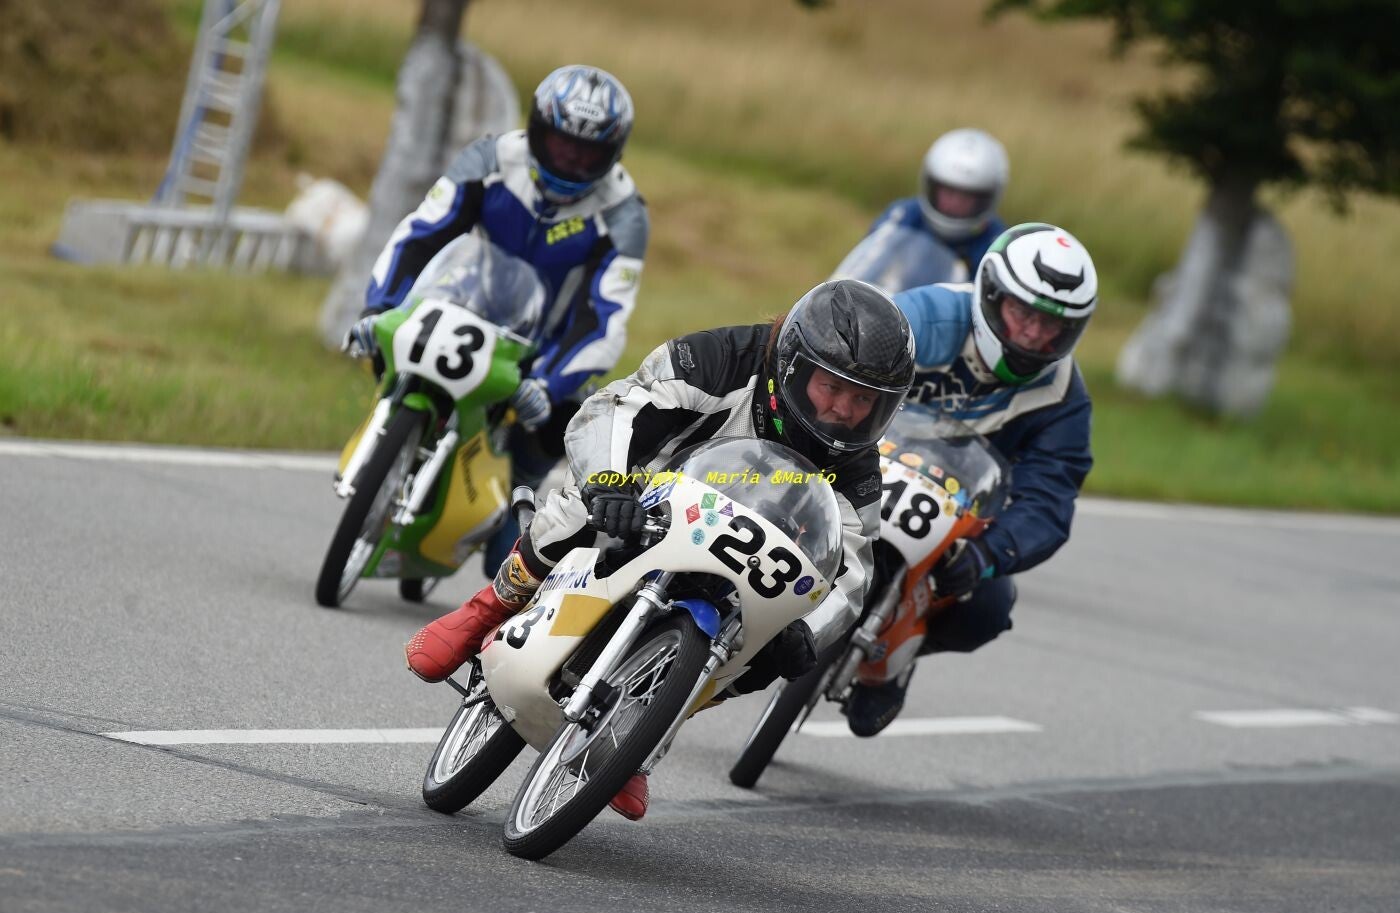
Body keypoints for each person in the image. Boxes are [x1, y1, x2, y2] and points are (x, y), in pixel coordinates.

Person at [406, 279, 917, 818]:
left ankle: (644, 732)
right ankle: (488, 608)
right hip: (649, 492)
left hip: (745, 559)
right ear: (793, 364)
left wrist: (807, 632)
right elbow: (614, 408)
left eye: (865, 400)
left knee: (769, 652)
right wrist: (608, 482)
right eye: (832, 387)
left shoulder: (857, 464)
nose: (844, 409)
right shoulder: (720, 358)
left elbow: (854, 571)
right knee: (578, 508)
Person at [344, 64, 649, 576]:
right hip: (462, 305)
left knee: (556, 431)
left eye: (586, 153)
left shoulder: (624, 213)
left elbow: (605, 319)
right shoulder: (489, 159)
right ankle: (390, 438)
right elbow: (420, 234)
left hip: (546, 352)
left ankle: (520, 499)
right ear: (535, 129)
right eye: (560, 144)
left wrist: (548, 383)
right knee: (385, 344)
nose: (570, 161)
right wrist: (380, 308)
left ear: (613, 154)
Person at [844, 222, 1097, 737]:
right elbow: (841, 379)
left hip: (957, 516)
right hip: (858, 464)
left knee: (988, 609)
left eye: (1053, 325)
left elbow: (1048, 500)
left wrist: (987, 555)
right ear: (992, 295)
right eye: (1024, 313)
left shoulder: (1063, 397)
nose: (1034, 335)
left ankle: (897, 658)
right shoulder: (920, 318)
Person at [835, 128, 1009, 289]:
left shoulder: (997, 247)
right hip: (892, 307)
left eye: (966, 197)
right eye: (948, 192)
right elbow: (867, 265)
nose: (954, 203)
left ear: (986, 198)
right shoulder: (904, 215)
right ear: (931, 185)